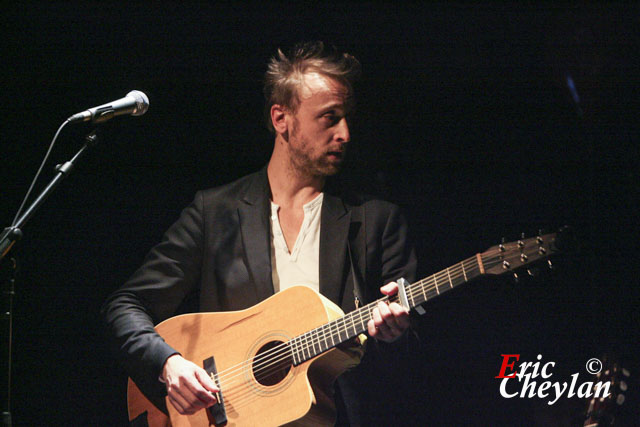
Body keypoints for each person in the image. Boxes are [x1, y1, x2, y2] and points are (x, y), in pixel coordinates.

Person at [102, 41, 417, 425]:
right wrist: (168, 364)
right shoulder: (215, 212)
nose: (345, 133)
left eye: (347, 117)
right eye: (329, 118)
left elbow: (413, 358)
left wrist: (395, 333)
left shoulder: (376, 221)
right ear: (281, 118)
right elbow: (126, 305)